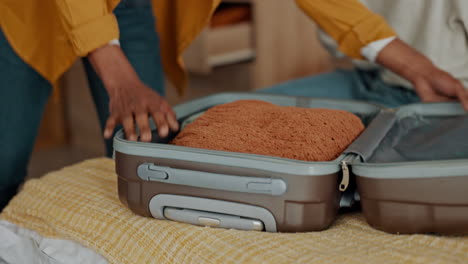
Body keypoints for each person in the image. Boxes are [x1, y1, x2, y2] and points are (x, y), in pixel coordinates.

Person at [1, 0, 466, 211]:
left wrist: (413, 65)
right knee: (4, 161)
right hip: (26, 12)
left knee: (148, 144)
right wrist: (120, 77)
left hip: (127, 4)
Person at [261, 0, 468, 109]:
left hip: (447, 99)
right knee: (233, 114)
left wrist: (420, 70)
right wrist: (416, 68)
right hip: (371, 77)